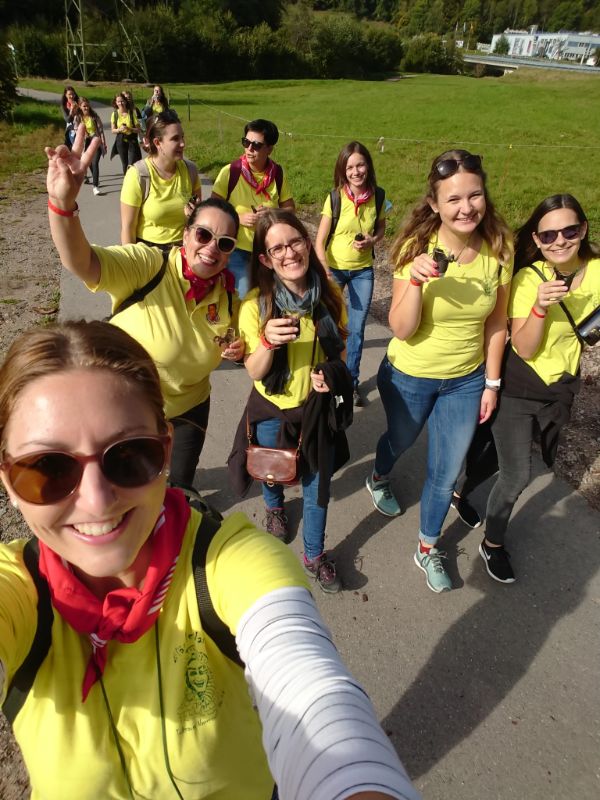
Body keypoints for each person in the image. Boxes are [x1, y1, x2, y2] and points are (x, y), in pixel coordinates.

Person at [0, 320, 420, 800]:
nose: (96, 501)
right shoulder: (16, 592)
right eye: (48, 467)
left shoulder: (228, 561)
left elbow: (310, 690)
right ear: (7, 480)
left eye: (130, 455)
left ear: (166, 449)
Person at [45, 125, 243, 491]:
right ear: (186, 234)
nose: (211, 248)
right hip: (127, 409)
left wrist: (240, 346)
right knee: (131, 491)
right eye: (203, 235)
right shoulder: (149, 265)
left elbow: (240, 338)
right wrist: (62, 205)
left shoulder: (228, 296)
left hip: (191, 410)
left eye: (225, 242)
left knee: (179, 488)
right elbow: (82, 262)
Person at [366, 150, 513, 593]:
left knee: (445, 472)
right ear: (434, 203)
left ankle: (427, 546)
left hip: (466, 380)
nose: (466, 207)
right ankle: (379, 474)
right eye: (454, 199)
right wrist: (414, 281)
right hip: (410, 374)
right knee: (401, 440)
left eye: (474, 195)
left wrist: (491, 382)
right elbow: (401, 329)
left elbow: (497, 323)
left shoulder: (499, 248)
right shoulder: (416, 249)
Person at [228, 209, 352, 594]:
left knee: (317, 489)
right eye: (277, 249)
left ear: (307, 244)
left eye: (295, 242)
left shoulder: (330, 297)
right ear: (265, 260)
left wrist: (329, 377)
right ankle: (275, 507)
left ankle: (314, 555)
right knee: (270, 469)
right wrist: (267, 342)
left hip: (315, 411)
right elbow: (254, 371)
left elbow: (341, 352)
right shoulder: (256, 306)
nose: (289, 253)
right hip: (271, 409)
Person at [478, 194, 600, 583]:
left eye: (569, 231)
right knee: (517, 474)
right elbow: (526, 347)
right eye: (548, 235)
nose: (560, 241)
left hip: (560, 388)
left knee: (504, 459)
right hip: (518, 387)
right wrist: (539, 308)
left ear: (583, 229)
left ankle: (462, 490)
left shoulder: (597, 271)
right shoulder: (529, 279)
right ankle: (492, 543)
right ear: (537, 238)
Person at [316, 141, 387, 406]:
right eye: (350, 167)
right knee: (329, 326)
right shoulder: (335, 197)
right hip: (334, 270)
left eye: (360, 165)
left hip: (362, 272)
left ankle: (350, 383)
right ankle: (323, 375)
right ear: (342, 171)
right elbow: (319, 242)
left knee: (356, 330)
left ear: (368, 165)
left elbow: (381, 228)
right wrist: (325, 271)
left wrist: (372, 240)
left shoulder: (378, 196)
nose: (356, 172)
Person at [212, 119, 295, 298]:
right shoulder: (230, 172)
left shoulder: (277, 174)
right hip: (237, 251)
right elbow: (213, 208)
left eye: (256, 145)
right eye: (246, 142)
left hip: (270, 250)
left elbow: (290, 209)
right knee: (244, 299)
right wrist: (238, 217)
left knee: (272, 298)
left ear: (269, 149)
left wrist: (272, 214)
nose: (249, 149)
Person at [120, 110, 201, 250]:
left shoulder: (190, 171)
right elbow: (128, 228)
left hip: (183, 252)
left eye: (182, 137)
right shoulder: (138, 175)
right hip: (149, 254)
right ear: (157, 143)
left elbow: (199, 220)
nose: (182, 143)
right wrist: (130, 260)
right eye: (175, 139)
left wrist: (194, 216)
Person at [72, 97, 107, 196]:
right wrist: (83, 133)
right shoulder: (78, 117)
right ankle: (95, 179)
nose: (86, 108)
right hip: (85, 143)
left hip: (96, 141)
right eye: (84, 106)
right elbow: (76, 129)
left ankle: (95, 186)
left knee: (95, 163)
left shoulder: (94, 116)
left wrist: (103, 142)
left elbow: (100, 130)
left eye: (87, 106)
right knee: (89, 164)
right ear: (80, 106)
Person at [111, 93, 141, 175]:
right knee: (124, 163)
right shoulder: (115, 114)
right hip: (120, 140)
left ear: (125, 101)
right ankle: (126, 179)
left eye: (122, 101)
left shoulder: (131, 113)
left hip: (131, 139)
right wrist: (119, 129)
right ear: (116, 103)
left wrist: (129, 128)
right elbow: (113, 130)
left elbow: (138, 129)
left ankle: (131, 178)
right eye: (118, 101)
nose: (120, 103)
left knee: (131, 163)